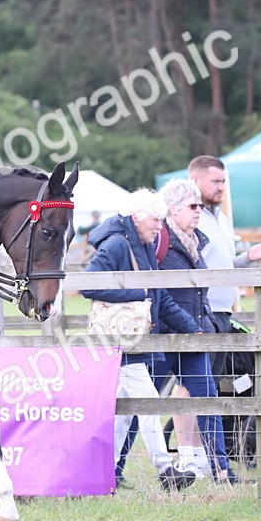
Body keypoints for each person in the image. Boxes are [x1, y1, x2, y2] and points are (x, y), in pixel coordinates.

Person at [81, 188, 204, 492]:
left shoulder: (143, 246)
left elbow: (159, 297)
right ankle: (165, 471)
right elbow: (88, 284)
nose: (159, 226)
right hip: (119, 340)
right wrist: (137, 295)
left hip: (133, 340)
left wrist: (190, 328)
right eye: (156, 220)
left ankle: (103, 474)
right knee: (148, 404)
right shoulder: (116, 245)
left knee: (125, 413)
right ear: (137, 217)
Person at [154, 178, 237, 484]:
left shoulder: (195, 240)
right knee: (138, 403)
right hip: (164, 336)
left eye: (200, 206)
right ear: (173, 210)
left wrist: (202, 325)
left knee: (207, 399)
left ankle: (221, 469)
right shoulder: (159, 243)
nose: (198, 211)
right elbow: (161, 297)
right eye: (192, 206)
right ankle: (115, 469)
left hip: (193, 336)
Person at [187, 156, 261, 335]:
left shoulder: (222, 219)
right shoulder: (188, 219)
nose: (221, 187)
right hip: (199, 314)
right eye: (215, 181)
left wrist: (248, 257)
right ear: (194, 180)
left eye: (223, 181)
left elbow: (226, 266)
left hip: (223, 311)